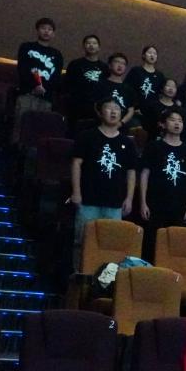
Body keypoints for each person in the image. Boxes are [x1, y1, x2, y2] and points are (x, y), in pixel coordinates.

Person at [69, 98, 137, 266]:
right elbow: (76, 164)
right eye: (109, 108)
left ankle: (105, 278)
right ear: (100, 112)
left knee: (110, 246)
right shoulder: (87, 136)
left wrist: (129, 198)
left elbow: (131, 172)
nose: (113, 112)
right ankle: (80, 276)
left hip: (114, 202)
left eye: (117, 109)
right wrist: (76, 192)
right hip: (88, 199)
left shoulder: (127, 142)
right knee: (82, 242)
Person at [139, 108, 186, 259]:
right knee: (152, 243)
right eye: (172, 120)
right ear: (163, 124)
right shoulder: (153, 146)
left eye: (180, 121)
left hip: (180, 205)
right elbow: (145, 174)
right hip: (155, 203)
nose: (177, 124)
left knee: (175, 245)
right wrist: (143, 202)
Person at [14, 17, 64, 143]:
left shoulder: (57, 54)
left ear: (53, 33)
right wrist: (34, 87)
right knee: (20, 127)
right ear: (37, 30)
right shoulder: (26, 47)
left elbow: (56, 77)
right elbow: (22, 69)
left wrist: (44, 89)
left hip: (46, 98)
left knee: (40, 131)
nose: (46, 31)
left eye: (50, 29)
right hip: (27, 93)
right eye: (43, 28)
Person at [64, 33, 109, 129]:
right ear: (84, 46)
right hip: (77, 106)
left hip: (96, 108)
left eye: (94, 43)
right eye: (88, 43)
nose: (91, 45)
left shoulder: (104, 67)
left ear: (99, 47)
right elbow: (67, 85)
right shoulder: (75, 64)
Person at [97, 53, 138, 128]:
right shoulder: (101, 84)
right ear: (110, 65)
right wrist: (104, 120)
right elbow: (96, 106)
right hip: (102, 124)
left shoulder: (128, 88)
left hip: (122, 126)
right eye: (117, 62)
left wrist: (121, 123)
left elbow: (131, 110)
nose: (120, 65)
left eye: (123, 64)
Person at [124, 45, 166, 114]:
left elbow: (161, 94)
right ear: (143, 55)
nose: (152, 55)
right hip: (136, 110)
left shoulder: (160, 75)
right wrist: (134, 107)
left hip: (153, 111)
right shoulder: (136, 71)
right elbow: (127, 89)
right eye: (149, 53)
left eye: (155, 54)